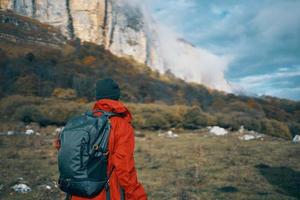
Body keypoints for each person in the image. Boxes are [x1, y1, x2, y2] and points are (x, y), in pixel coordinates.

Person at [55, 78, 147, 200]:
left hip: (76, 192)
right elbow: (125, 167)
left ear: (98, 96)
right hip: (105, 193)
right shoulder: (121, 125)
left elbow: (61, 147)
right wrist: (137, 196)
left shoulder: (82, 121)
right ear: (117, 96)